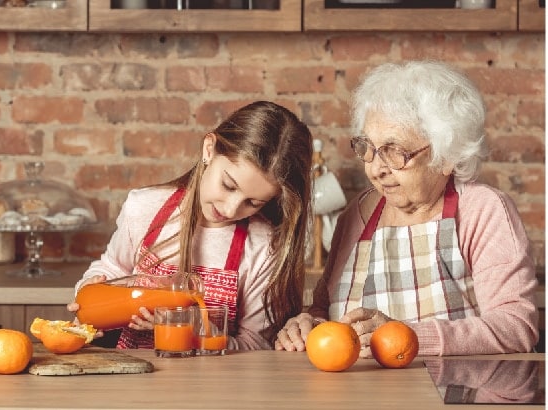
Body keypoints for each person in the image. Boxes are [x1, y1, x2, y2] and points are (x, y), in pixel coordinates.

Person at [275, 60, 539, 357]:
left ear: (447, 155)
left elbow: (516, 327)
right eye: (368, 149)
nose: (376, 169)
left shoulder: (483, 210)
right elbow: (326, 308)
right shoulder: (357, 214)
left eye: (395, 151)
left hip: (452, 394)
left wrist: (404, 337)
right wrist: (309, 323)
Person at [69, 100, 314, 350]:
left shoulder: (263, 246)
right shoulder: (144, 208)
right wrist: (91, 288)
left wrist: (185, 332)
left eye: (253, 202)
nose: (231, 209)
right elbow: (113, 268)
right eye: (228, 185)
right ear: (209, 149)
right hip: (133, 376)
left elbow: (254, 343)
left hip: (214, 384)